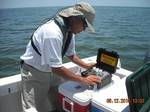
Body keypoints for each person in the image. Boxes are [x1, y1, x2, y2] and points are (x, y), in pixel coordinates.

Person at [20, 2, 100, 112]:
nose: (84, 30)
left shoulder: (69, 31)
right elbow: (57, 68)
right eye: (85, 25)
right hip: (35, 72)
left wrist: (86, 65)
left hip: (52, 71)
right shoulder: (52, 32)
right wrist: (83, 80)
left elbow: (71, 55)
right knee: (32, 108)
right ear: (75, 19)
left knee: (59, 100)